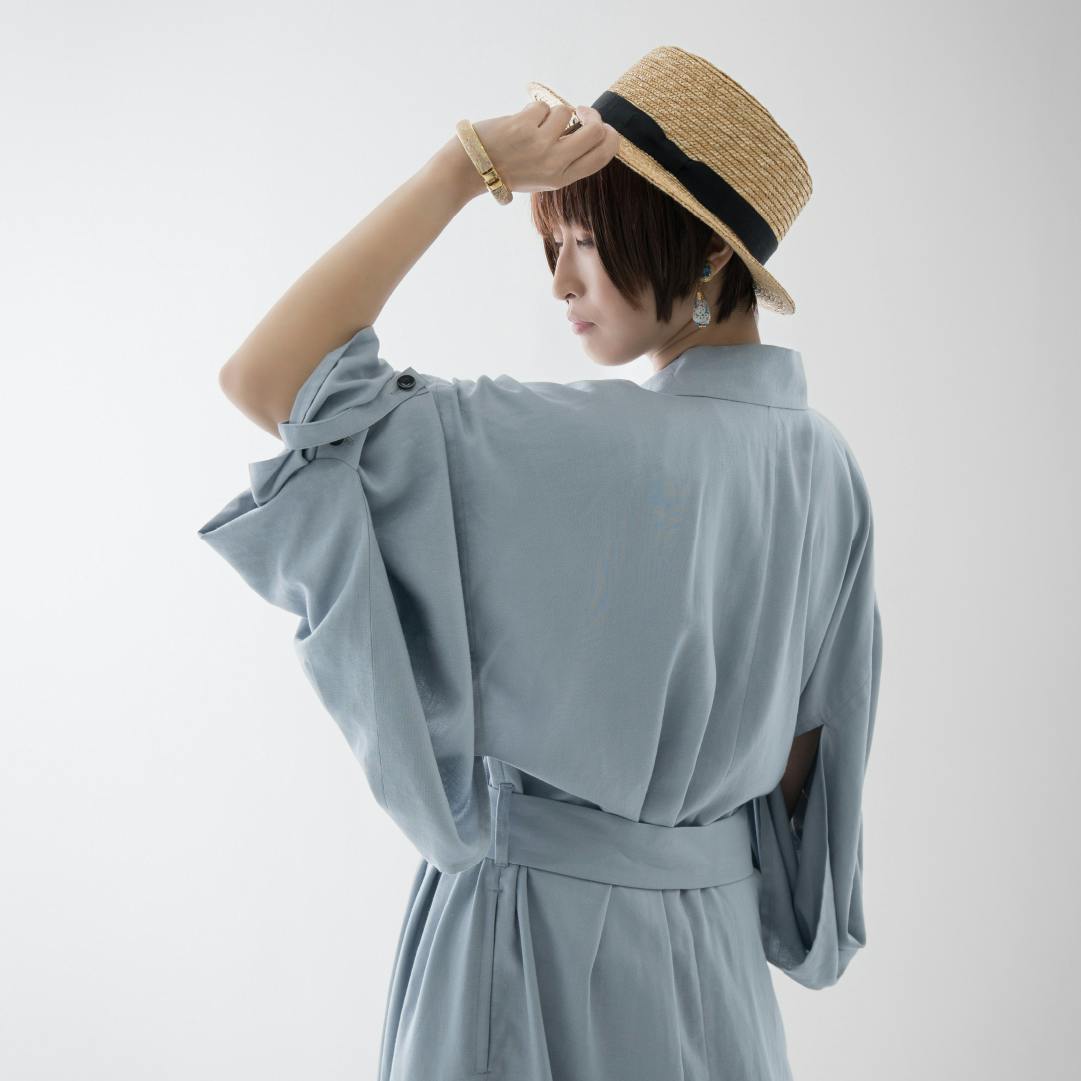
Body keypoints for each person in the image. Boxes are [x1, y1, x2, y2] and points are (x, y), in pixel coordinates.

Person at [197, 46, 883, 1081]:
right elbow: (803, 769)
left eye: (583, 242)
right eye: (550, 245)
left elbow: (269, 376)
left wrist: (461, 165)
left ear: (705, 253)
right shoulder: (826, 468)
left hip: (532, 941)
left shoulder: (561, 444)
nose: (559, 280)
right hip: (714, 972)